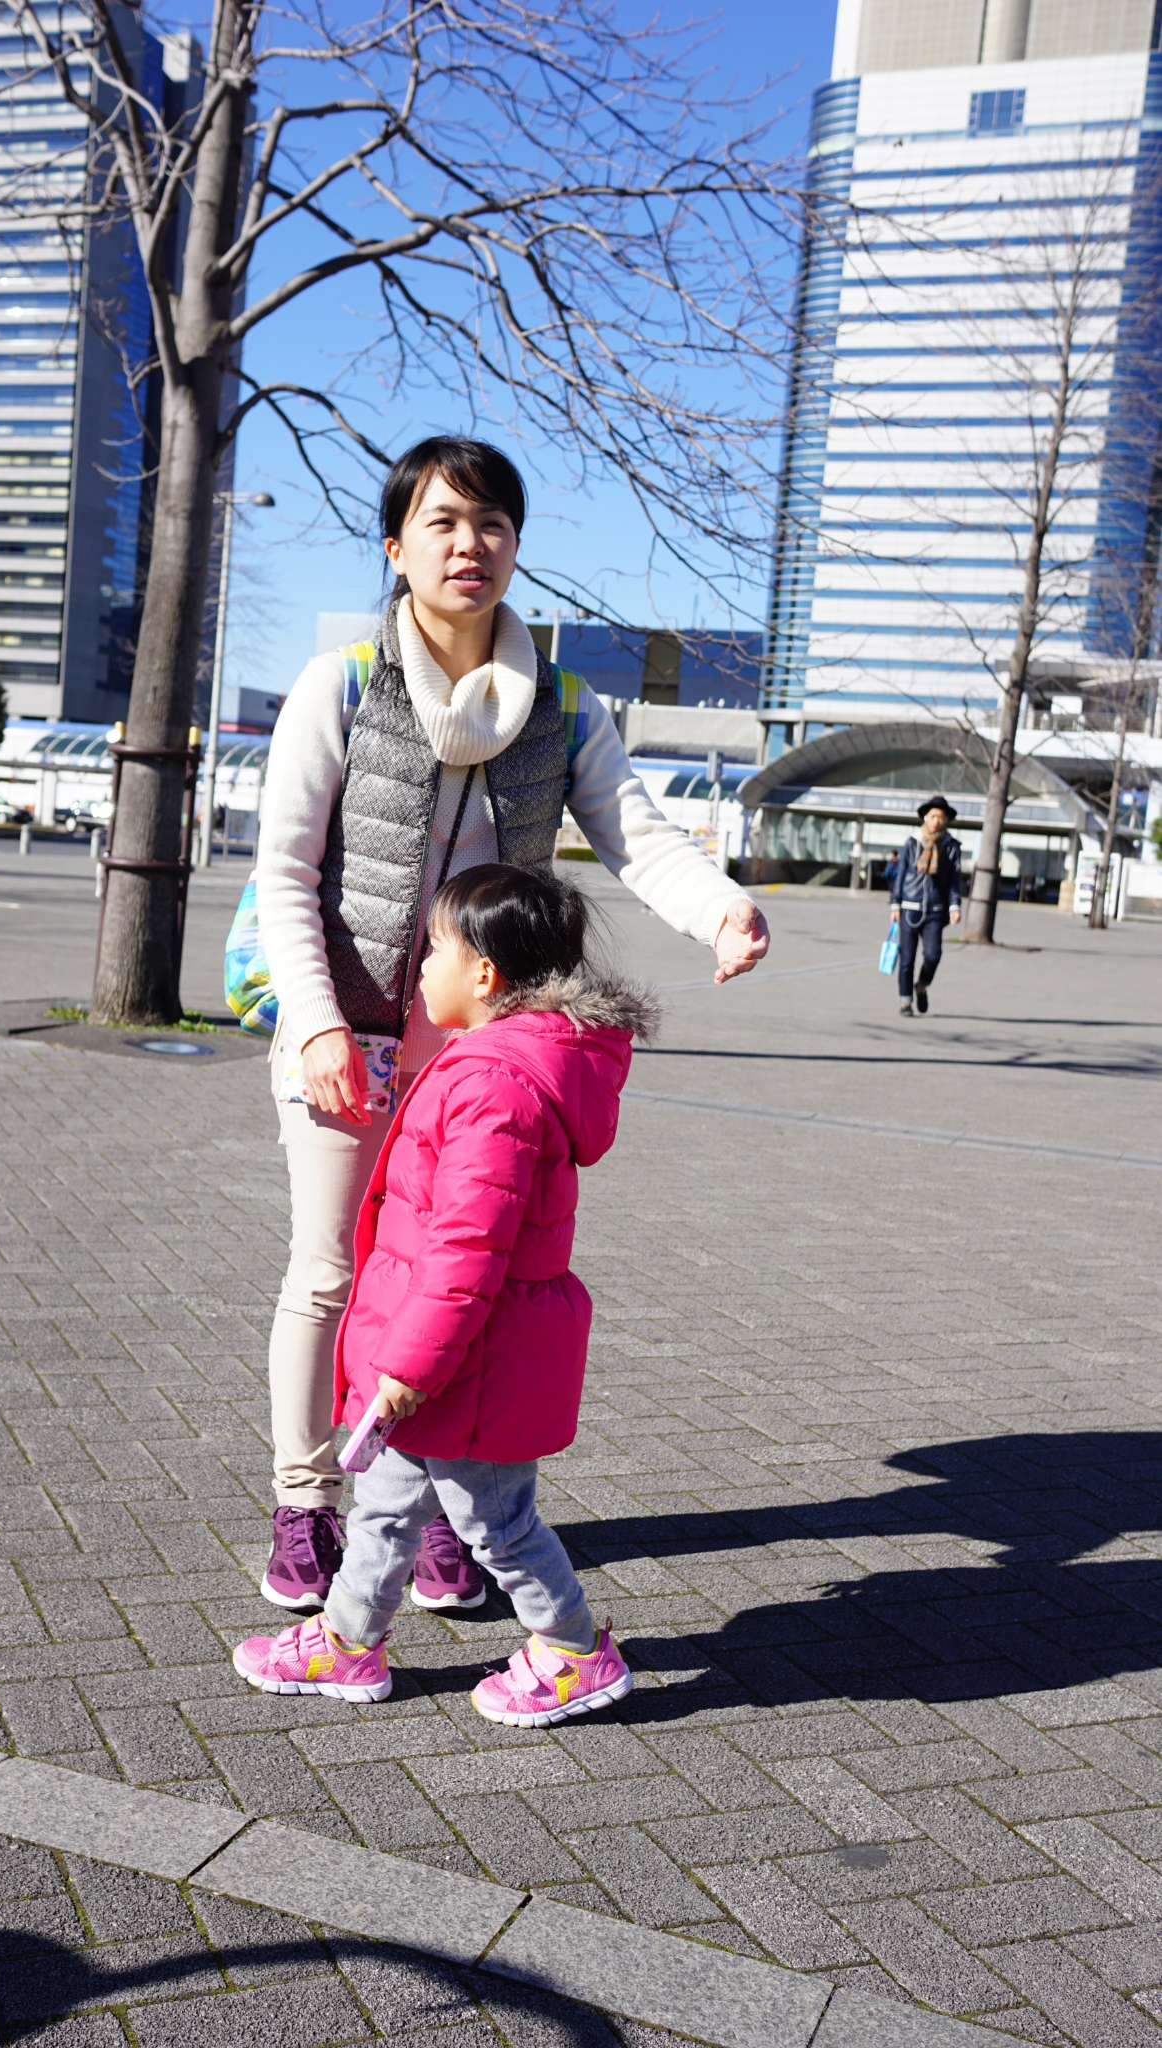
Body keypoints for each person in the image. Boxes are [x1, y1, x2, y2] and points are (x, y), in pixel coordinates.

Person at [254, 434, 769, 1613]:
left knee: (461, 1273)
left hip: (482, 1051)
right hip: (346, 1027)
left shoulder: (563, 707)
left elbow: (638, 834)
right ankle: (307, 1499)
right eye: (441, 521)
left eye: (490, 522)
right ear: (397, 547)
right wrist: (317, 1024)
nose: (468, 543)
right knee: (332, 1272)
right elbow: (283, 870)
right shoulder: (342, 685)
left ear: (515, 546)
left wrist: (722, 910)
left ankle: (439, 1505)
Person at [234, 864, 652, 1723]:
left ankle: (575, 1651)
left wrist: (408, 1368)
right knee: (385, 1509)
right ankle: (348, 1641)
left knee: (496, 1523)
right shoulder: (492, 1063)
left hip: (466, 1365)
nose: (419, 967)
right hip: (446, 1355)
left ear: (484, 975)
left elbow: (467, 1248)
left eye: (434, 951)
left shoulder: (494, 1083)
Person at [889, 796, 963, 1016]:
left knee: (933, 955)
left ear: (946, 819)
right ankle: (905, 1002)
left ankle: (921, 985)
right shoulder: (912, 843)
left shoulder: (951, 847)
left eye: (941, 817)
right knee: (907, 959)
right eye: (933, 816)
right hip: (909, 907)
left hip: (935, 910)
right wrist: (895, 904)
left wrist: (954, 906)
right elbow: (900, 875)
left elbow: (954, 880)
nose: (936, 821)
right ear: (925, 818)